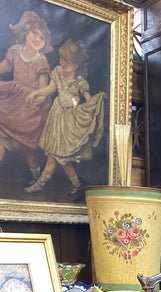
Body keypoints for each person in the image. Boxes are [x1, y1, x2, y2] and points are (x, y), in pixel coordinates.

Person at [25, 38, 105, 198]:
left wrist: (98, 99)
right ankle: (77, 185)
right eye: (61, 59)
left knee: (57, 158)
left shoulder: (80, 82)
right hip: (56, 118)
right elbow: (48, 90)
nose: (62, 63)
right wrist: (35, 93)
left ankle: (39, 185)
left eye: (66, 62)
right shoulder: (57, 73)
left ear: (75, 66)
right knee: (59, 158)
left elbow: (89, 103)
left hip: (69, 122)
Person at [0, 11, 53, 185]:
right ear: (25, 32)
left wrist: (34, 97)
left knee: (26, 149)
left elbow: (42, 90)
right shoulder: (15, 52)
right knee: (4, 141)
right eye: (34, 34)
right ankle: (36, 174)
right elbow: (4, 67)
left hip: (30, 110)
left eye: (42, 37)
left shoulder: (41, 61)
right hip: (12, 103)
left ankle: (37, 175)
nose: (38, 39)